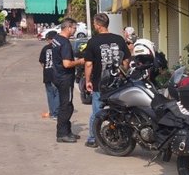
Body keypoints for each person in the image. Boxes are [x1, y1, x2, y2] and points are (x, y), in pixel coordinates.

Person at [83, 13, 130, 148]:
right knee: (118, 111)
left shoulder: (93, 42)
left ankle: (93, 139)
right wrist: (122, 74)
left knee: (97, 112)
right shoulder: (119, 39)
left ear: (98, 25)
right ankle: (122, 136)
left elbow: (88, 64)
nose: (94, 25)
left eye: (94, 23)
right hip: (118, 84)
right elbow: (126, 60)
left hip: (100, 84)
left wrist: (87, 81)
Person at [52, 18, 85, 143]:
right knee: (66, 106)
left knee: (66, 105)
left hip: (57, 76)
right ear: (68, 27)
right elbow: (67, 64)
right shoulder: (65, 42)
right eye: (74, 28)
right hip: (64, 78)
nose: (75, 30)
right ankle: (62, 134)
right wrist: (80, 61)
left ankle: (67, 131)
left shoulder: (56, 39)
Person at [39, 30, 59, 119]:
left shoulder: (45, 48)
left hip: (47, 73)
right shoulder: (59, 47)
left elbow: (42, 62)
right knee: (57, 93)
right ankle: (55, 113)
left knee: (50, 94)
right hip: (57, 73)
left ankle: (52, 113)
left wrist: (47, 68)